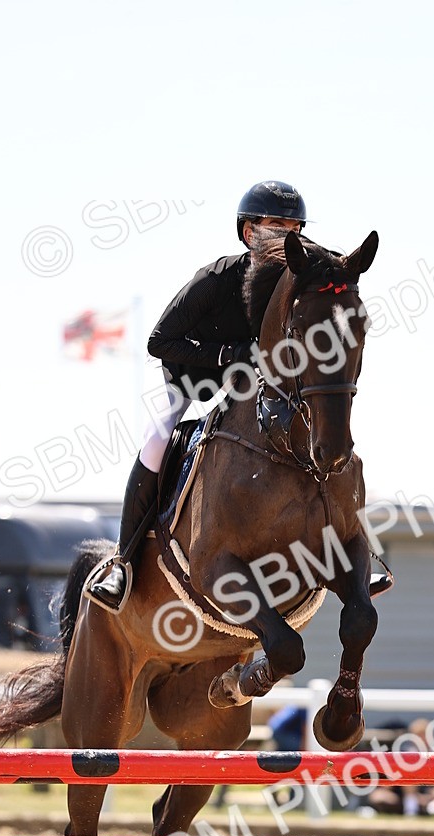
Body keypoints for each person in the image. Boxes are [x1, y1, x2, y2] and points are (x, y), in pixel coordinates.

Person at [89, 180, 308, 610]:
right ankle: (123, 564)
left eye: (294, 227)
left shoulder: (297, 284)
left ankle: (353, 548)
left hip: (257, 387)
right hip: (196, 380)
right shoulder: (216, 278)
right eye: (276, 225)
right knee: (157, 442)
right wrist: (228, 355)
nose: (288, 234)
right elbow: (158, 341)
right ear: (249, 232)